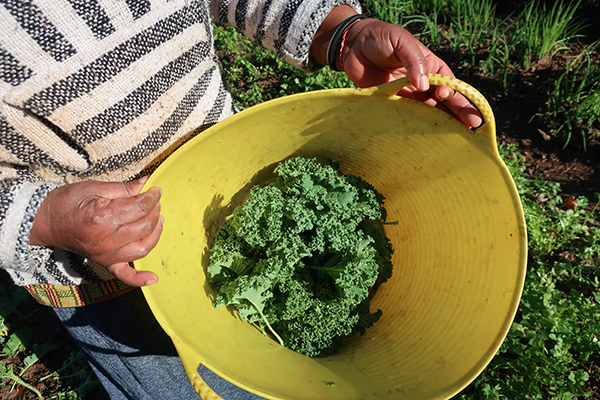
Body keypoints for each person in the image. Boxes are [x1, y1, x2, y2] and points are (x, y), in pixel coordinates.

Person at [0, 0, 481, 399]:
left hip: (226, 176)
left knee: (250, 369)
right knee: (163, 379)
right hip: (97, 265)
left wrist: (340, 31)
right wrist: (41, 220)